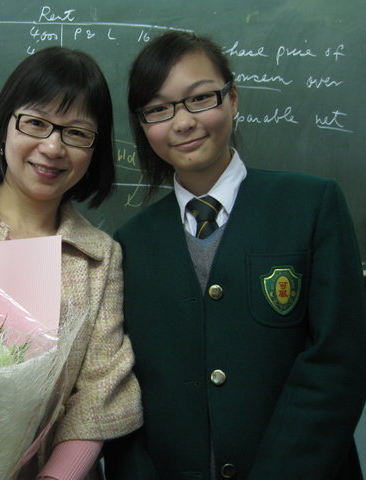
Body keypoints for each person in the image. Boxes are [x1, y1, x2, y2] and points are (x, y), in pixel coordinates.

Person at [103, 31, 366, 480]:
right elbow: (125, 390)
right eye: (159, 109)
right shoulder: (130, 243)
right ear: (143, 125)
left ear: (233, 98)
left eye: (199, 98)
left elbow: (339, 361)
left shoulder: (311, 205)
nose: (183, 122)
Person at [0, 46, 143, 479]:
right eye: (36, 123)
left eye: (76, 133)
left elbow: (99, 388)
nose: (53, 147)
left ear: (94, 149)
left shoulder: (100, 257)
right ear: (4, 125)